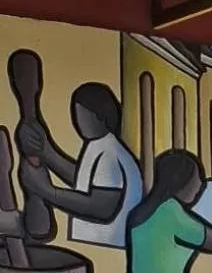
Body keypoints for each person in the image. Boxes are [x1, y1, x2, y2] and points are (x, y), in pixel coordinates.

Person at [15, 81, 142, 246]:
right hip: (97, 246)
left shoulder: (110, 153)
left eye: (82, 115)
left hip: (108, 246)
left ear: (101, 117)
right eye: (76, 115)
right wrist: (47, 153)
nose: (78, 122)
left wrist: (47, 191)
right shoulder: (98, 145)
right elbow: (84, 178)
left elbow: (101, 208)